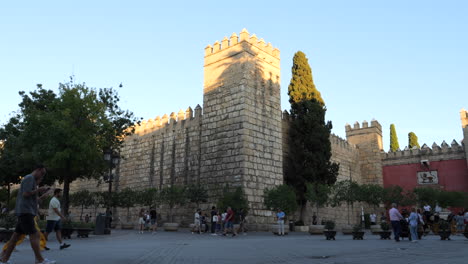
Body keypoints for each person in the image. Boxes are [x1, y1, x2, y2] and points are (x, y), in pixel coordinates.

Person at [0, 164, 56, 264]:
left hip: (25, 211)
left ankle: (4, 260)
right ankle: (40, 260)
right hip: (26, 211)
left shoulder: (32, 181)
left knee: (15, 238)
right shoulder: (29, 178)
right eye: (42, 173)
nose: (42, 176)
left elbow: (33, 200)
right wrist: (38, 190)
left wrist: (44, 195)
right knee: (35, 235)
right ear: (38, 170)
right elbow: (26, 194)